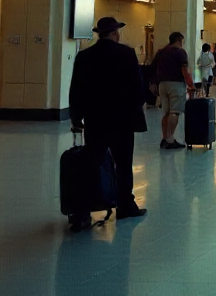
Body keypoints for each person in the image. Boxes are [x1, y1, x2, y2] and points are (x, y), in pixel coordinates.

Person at [67, 17, 148, 228]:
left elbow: (76, 89)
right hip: (122, 120)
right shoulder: (126, 54)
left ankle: (82, 211)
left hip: (96, 120)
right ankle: (125, 206)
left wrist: (76, 117)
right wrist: (137, 105)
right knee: (123, 164)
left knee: (91, 163)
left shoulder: (84, 56)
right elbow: (137, 87)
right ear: (114, 33)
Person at [153, 32, 194, 149]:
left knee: (166, 112)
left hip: (162, 84)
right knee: (174, 112)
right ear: (179, 40)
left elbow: (154, 68)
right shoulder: (180, 52)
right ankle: (170, 139)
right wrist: (191, 84)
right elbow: (184, 70)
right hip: (175, 85)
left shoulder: (161, 52)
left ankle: (164, 137)